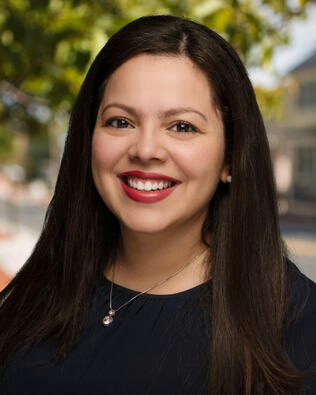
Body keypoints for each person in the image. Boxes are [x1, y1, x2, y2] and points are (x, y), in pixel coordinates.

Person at [0, 14, 315, 395]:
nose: (146, 150)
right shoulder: (35, 295)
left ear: (230, 157)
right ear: (88, 139)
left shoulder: (299, 324)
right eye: (120, 122)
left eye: (182, 126)